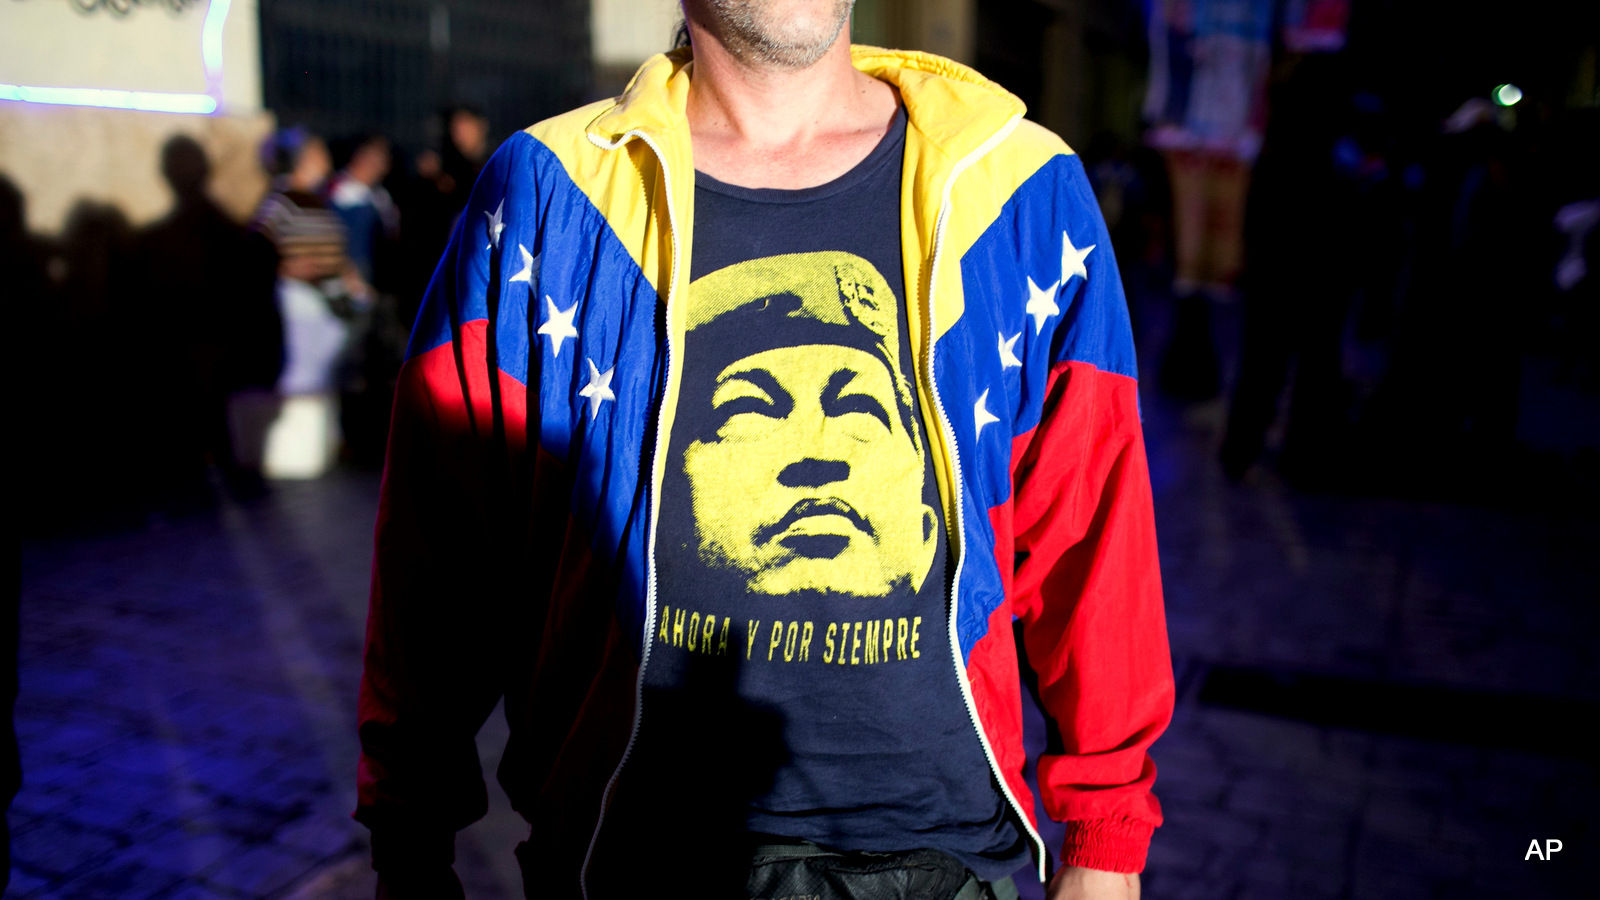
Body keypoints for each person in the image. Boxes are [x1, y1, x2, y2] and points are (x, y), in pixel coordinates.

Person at [356, 3, 1172, 899]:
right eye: (752, 410)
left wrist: (1105, 839)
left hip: (942, 866)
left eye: (857, 406)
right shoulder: (552, 193)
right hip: (629, 862)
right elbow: (439, 547)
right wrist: (409, 829)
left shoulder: (1018, 187)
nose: (816, 458)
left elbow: (1093, 526)